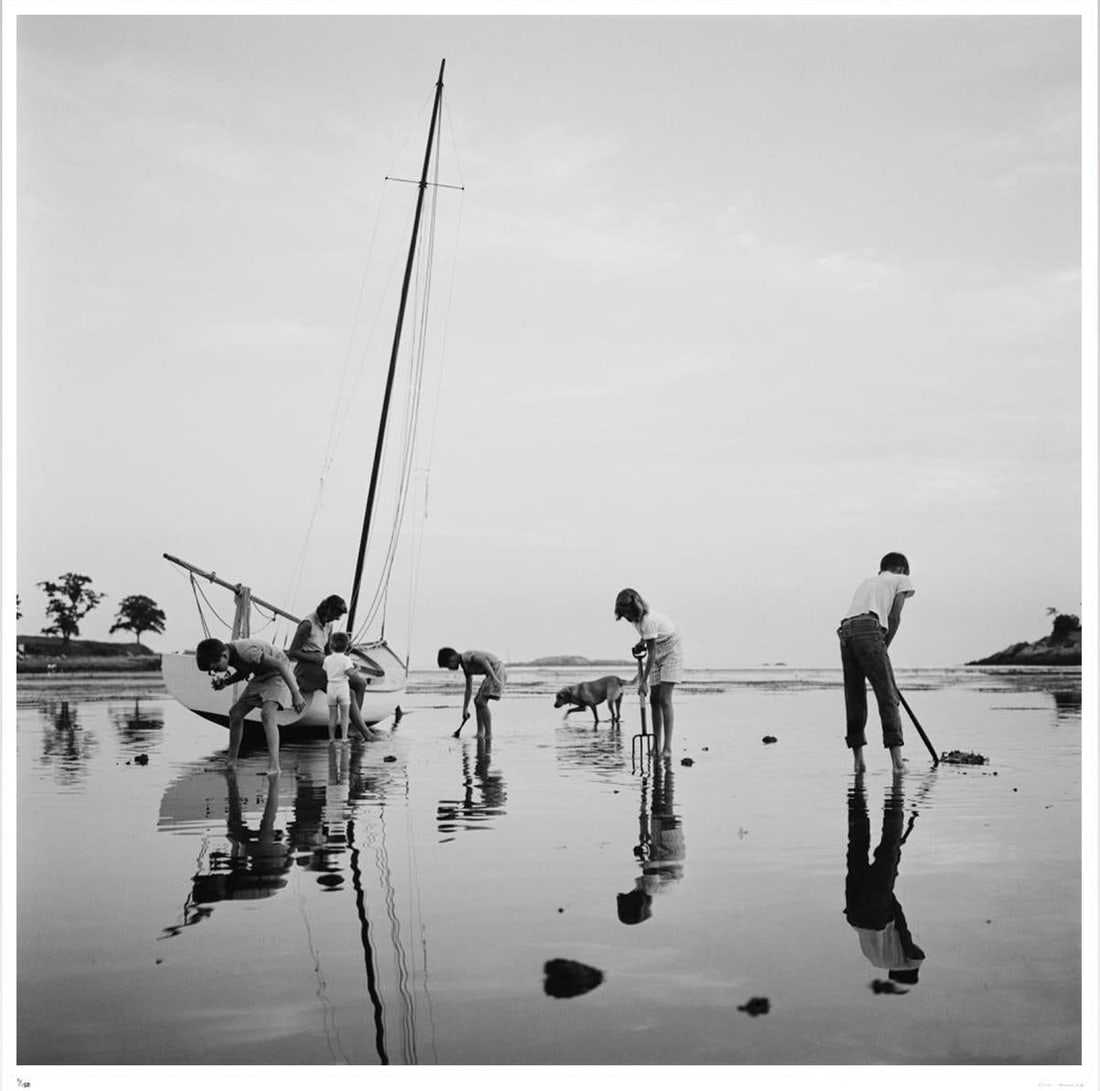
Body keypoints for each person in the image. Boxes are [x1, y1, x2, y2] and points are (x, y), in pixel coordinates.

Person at [845, 775, 926, 989]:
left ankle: (895, 798)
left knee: (889, 848)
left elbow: (902, 924)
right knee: (857, 846)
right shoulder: (876, 960)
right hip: (854, 914)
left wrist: (892, 867)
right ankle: (857, 799)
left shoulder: (905, 961)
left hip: (878, 913)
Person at [838, 553, 916, 774]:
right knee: (888, 695)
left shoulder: (867, 582)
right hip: (870, 630)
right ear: (901, 569)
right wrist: (883, 647)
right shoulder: (900, 579)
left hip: (845, 631)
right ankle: (898, 764)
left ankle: (859, 762)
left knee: (854, 696)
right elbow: (894, 617)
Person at [195, 636, 306, 775]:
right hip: (261, 675)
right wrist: (225, 682)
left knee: (267, 714)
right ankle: (231, 762)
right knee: (235, 714)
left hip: (278, 674)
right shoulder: (232, 655)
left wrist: (296, 694)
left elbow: (280, 665)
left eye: (216, 668)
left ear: (224, 655)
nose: (216, 672)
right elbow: (244, 671)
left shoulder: (248, 652)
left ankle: (274, 767)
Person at [287, 594, 385, 741]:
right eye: (335, 616)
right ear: (327, 610)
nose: (336, 620)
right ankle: (366, 733)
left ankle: (353, 727)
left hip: (323, 666)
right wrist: (315, 658)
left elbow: (327, 652)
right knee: (348, 693)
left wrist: (342, 657)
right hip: (307, 670)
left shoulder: (328, 625)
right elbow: (292, 652)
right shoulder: (307, 624)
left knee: (360, 683)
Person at [614, 588, 682, 759]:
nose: (627, 617)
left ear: (635, 607)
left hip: (671, 650)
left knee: (664, 699)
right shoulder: (635, 620)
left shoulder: (648, 620)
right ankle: (655, 746)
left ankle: (666, 748)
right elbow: (649, 638)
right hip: (656, 648)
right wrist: (641, 642)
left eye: (628, 613)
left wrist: (643, 682)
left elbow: (651, 653)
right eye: (624, 614)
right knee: (653, 699)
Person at [437, 647, 506, 737]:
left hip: (496, 670)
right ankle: (480, 732)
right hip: (492, 673)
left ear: (452, 658)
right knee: (477, 701)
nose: (450, 669)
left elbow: (483, 661)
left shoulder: (466, 656)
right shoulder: (465, 667)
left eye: (448, 666)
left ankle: (489, 733)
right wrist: (465, 709)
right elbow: (468, 688)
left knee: (481, 701)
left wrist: (494, 678)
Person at [323, 631, 359, 742]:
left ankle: (332, 738)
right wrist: (357, 668)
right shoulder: (346, 659)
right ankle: (344, 738)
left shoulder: (327, 659)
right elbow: (350, 673)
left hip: (331, 687)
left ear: (330, 645)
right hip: (342, 687)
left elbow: (325, 669)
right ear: (347, 646)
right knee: (344, 716)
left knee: (332, 717)